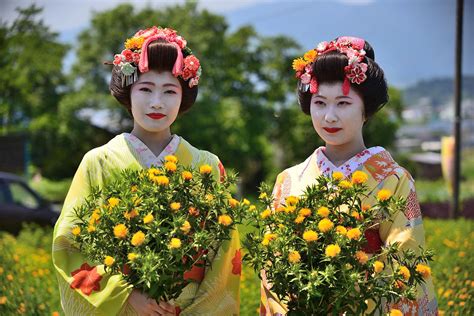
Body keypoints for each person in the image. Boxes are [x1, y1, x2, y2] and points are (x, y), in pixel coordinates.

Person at [52, 26, 241, 316]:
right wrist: (126, 296)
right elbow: (69, 244)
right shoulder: (98, 161)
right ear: (128, 92)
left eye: (169, 91)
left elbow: (225, 254)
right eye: (145, 89)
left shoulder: (207, 165)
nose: (157, 102)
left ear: (183, 96)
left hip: (189, 308)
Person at [260, 36, 438, 315]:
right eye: (320, 103)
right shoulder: (288, 180)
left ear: (366, 109)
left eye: (343, 103)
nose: (329, 116)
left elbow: (405, 260)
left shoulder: (394, 179)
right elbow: (272, 262)